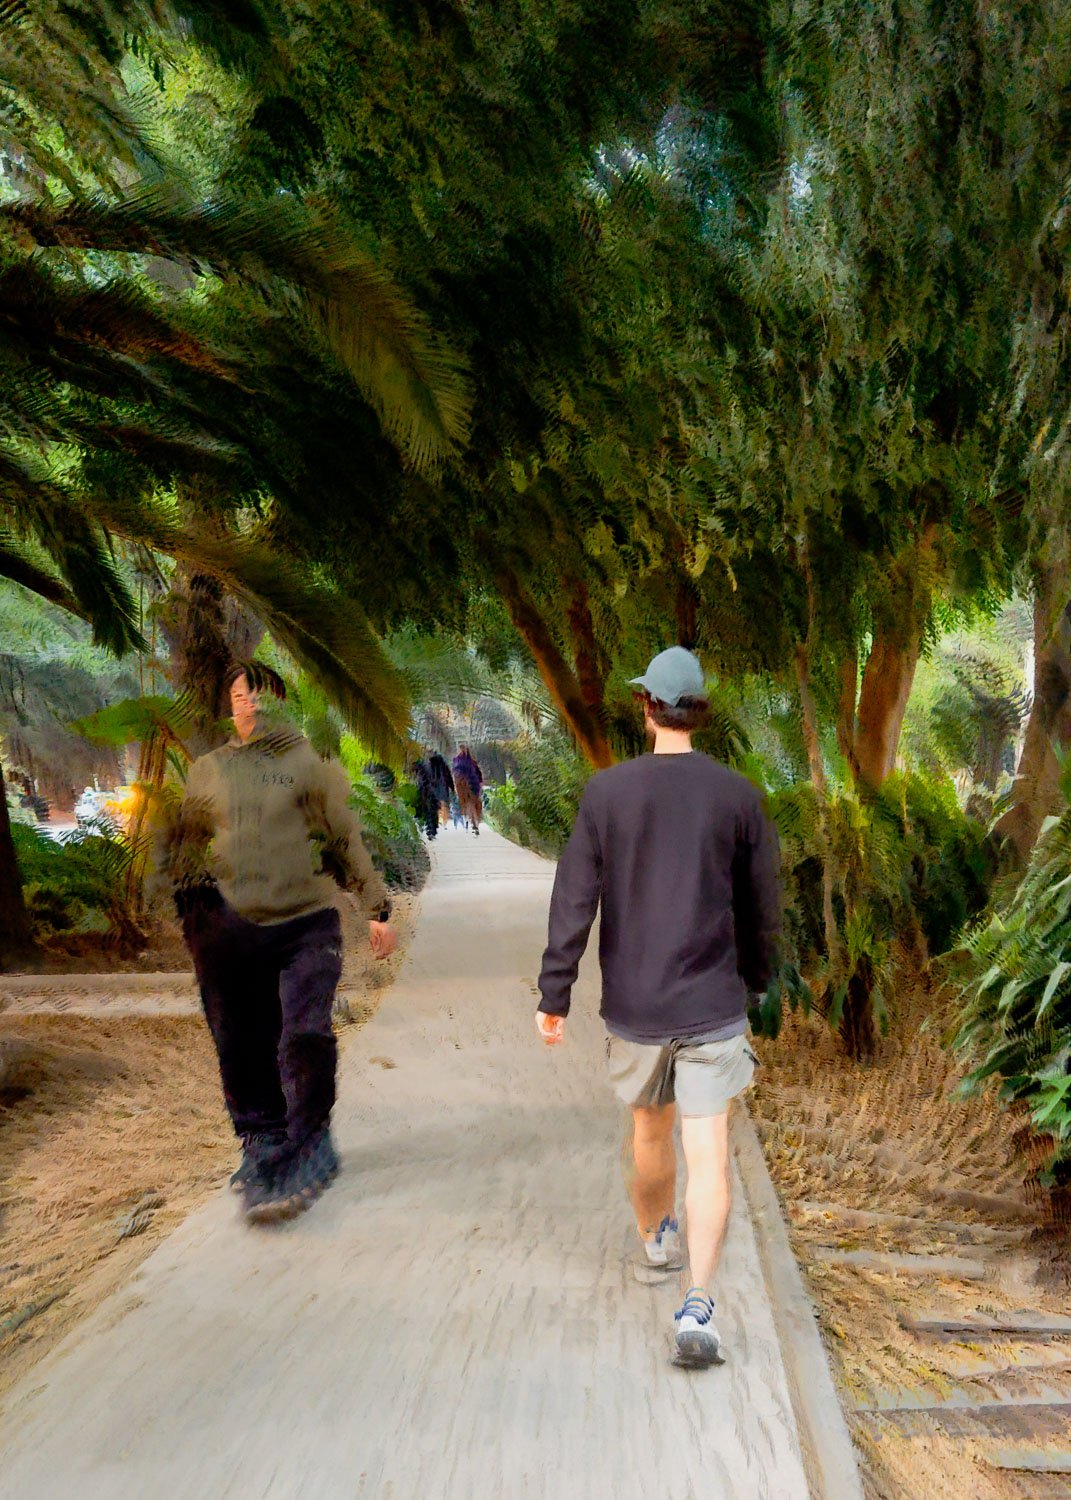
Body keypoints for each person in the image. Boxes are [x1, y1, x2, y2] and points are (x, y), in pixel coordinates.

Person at [534, 646, 780, 1368]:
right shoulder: (738, 796)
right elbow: (762, 908)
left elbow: (572, 900)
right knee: (710, 1153)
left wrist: (554, 994)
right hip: (711, 1002)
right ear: (695, 711)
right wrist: (758, 982)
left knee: (649, 1135)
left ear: (645, 707)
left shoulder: (607, 795)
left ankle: (654, 1241)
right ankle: (698, 1305)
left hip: (636, 1005)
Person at [157, 662, 397, 1225]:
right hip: (231, 931)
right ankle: (261, 1140)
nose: (251, 705)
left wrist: (376, 907)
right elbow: (189, 843)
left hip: (306, 923)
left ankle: (311, 1140)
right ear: (230, 706)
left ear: (279, 701)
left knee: (304, 1031)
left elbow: (342, 835)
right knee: (238, 1039)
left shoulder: (307, 765)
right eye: (240, 695)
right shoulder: (208, 771)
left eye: (260, 694)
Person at [452, 744, 483, 836]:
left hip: (466, 785)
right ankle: (474, 822)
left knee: (469, 804)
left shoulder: (458, 761)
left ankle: (473, 822)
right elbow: (478, 774)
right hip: (472, 785)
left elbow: (455, 773)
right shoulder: (471, 762)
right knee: (472, 804)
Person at [427, 750, 455, 829]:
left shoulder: (430, 765)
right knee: (444, 805)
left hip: (433, 788)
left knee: (436, 805)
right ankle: (444, 821)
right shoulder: (444, 765)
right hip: (443, 787)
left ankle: (439, 820)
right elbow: (448, 776)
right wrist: (452, 787)